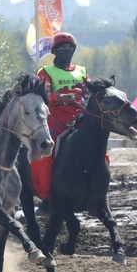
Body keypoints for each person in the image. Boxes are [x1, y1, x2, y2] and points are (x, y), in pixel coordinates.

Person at [30, 32, 91, 211]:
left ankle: (96, 190)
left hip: (79, 118)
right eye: (62, 48)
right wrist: (59, 97)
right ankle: (46, 197)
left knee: (99, 149)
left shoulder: (82, 71)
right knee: (47, 153)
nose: (66, 51)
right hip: (55, 119)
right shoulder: (45, 71)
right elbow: (40, 95)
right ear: (54, 51)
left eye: (69, 48)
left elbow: (89, 91)